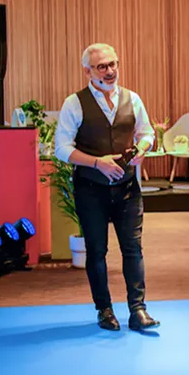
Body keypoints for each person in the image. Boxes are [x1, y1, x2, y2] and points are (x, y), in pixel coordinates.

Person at [54, 43, 160, 332]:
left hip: (127, 188)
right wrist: (96, 162)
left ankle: (138, 310)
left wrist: (143, 147)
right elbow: (61, 149)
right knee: (97, 251)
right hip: (90, 188)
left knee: (133, 250)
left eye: (114, 64)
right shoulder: (74, 103)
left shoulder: (133, 99)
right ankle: (105, 310)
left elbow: (147, 132)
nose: (111, 71)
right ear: (87, 71)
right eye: (103, 66)